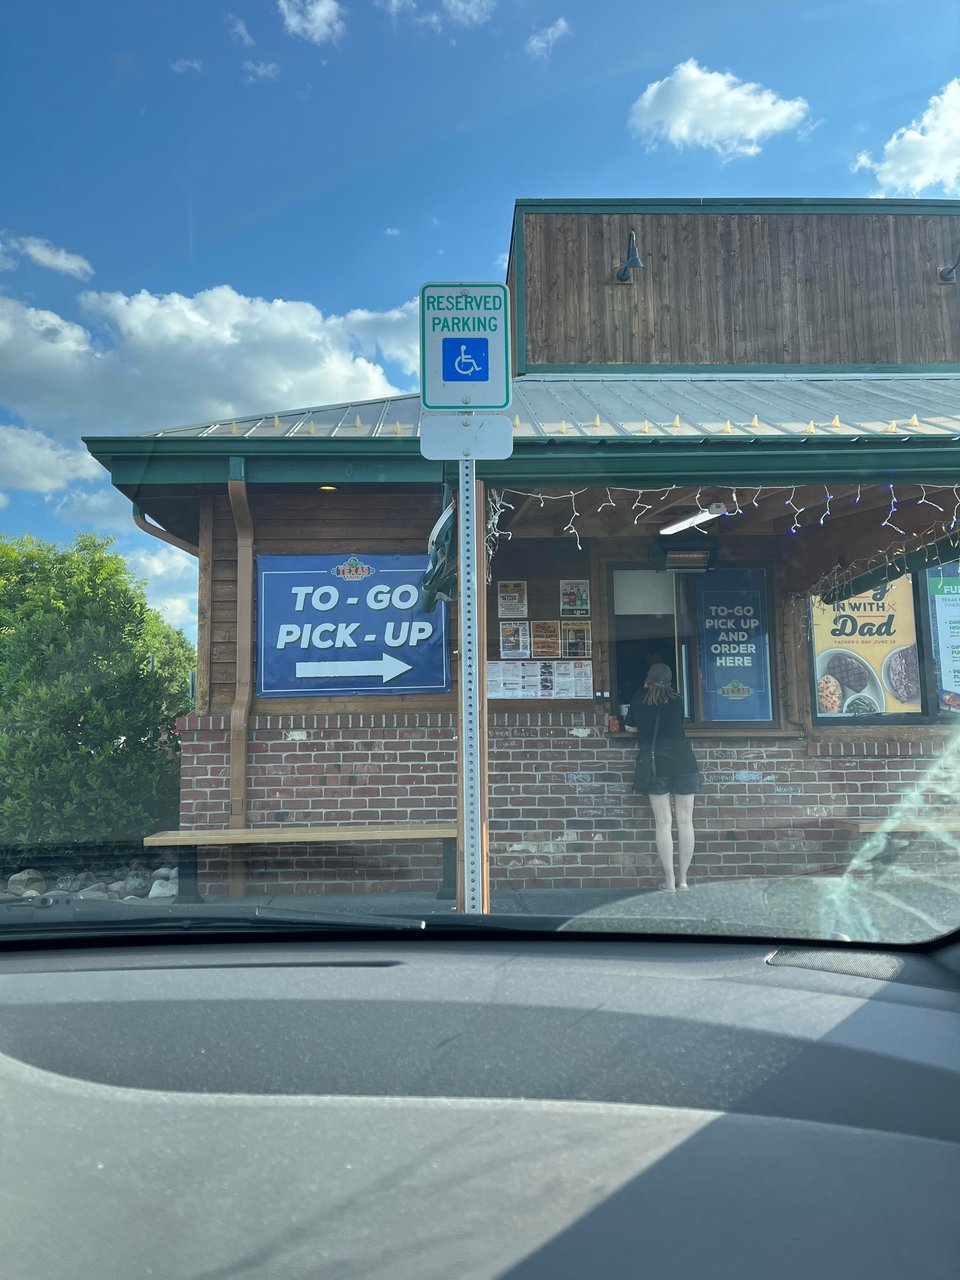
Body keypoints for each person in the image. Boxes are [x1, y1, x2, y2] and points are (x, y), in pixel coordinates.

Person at [624, 663, 701, 892]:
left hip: (655, 765)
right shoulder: (677, 700)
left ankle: (669, 881)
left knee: (663, 823)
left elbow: (629, 727)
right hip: (684, 763)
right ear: (669, 681)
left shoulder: (639, 698)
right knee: (686, 823)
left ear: (648, 679)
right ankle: (684, 880)